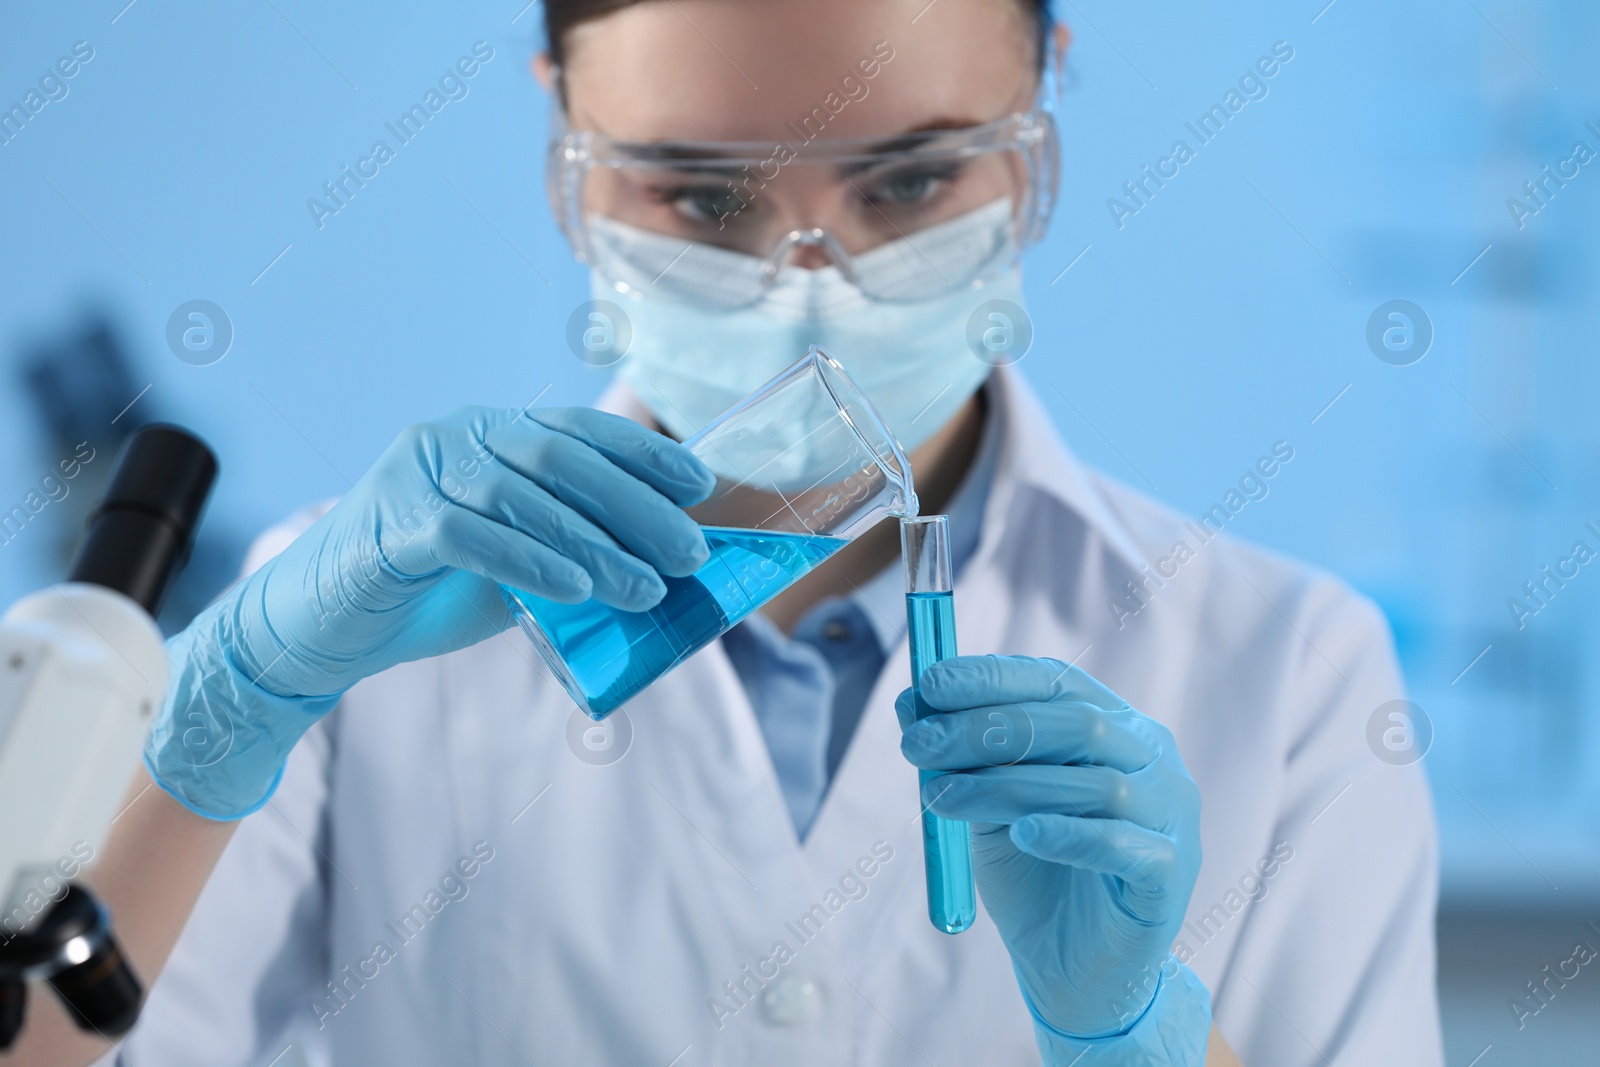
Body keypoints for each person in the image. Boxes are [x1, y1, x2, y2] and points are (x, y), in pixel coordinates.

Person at [13, 1, 1443, 1064]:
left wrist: (1133, 1037)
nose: (805, 284)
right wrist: (226, 718)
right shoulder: (341, 617)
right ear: (563, 139)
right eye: (701, 195)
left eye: (909, 184)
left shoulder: (1291, 668)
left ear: (1043, 114)